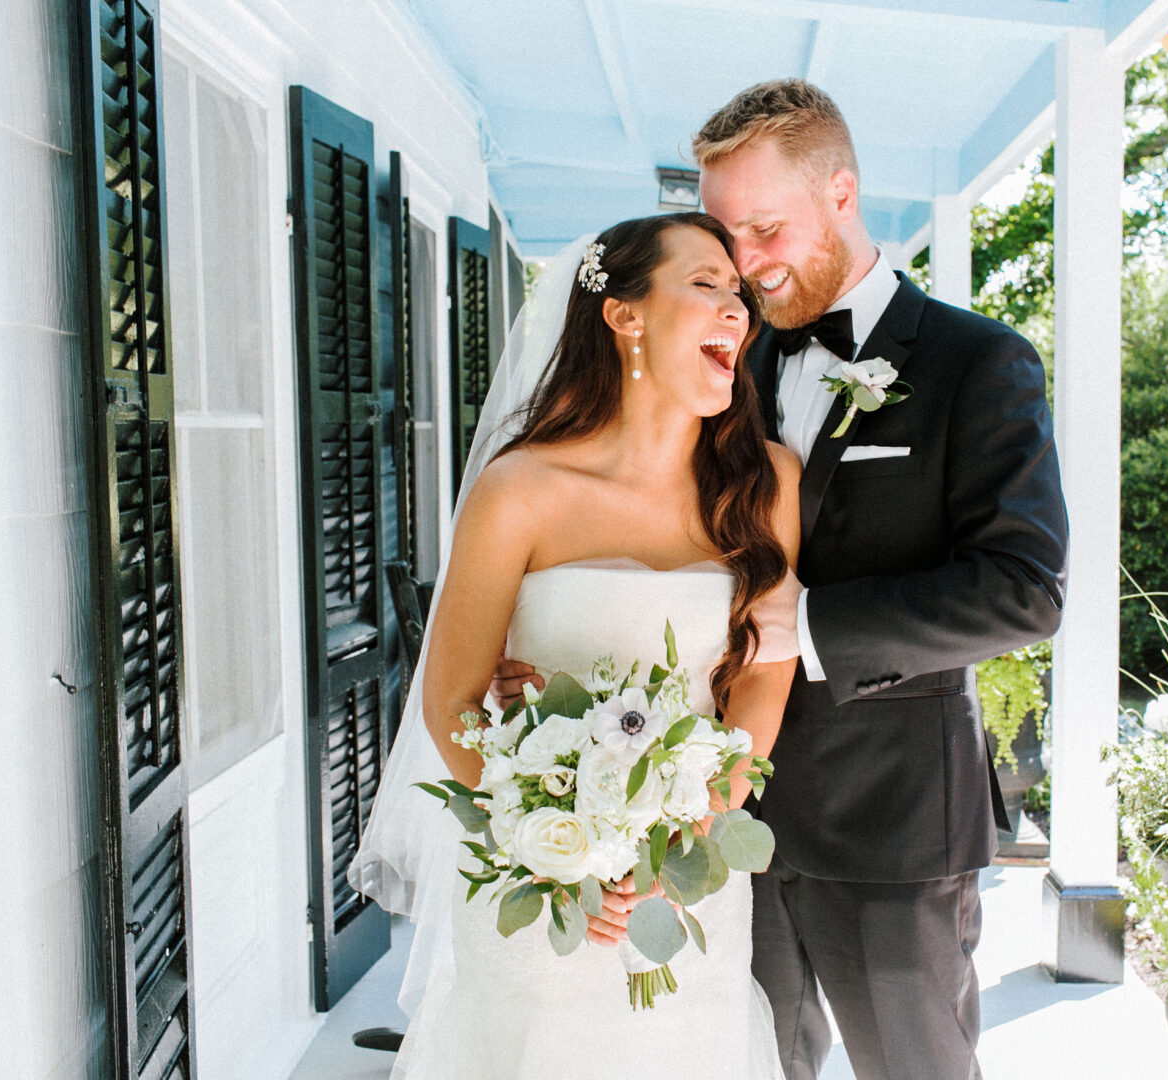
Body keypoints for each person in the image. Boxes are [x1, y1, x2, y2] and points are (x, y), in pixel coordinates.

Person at [501, 81, 1070, 1080]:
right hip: (713, 830)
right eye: (726, 237)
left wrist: (807, 627)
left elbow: (1025, 589)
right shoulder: (724, 352)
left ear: (842, 193)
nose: (747, 267)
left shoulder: (979, 364)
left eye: (766, 229)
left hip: (893, 831)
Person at [351, 212, 803, 1080]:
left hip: (689, 886)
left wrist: (688, 840)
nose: (735, 310)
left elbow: (765, 679)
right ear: (624, 314)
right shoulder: (521, 489)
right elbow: (451, 702)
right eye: (705, 285)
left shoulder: (766, 482)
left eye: (739, 294)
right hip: (542, 893)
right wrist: (557, 853)